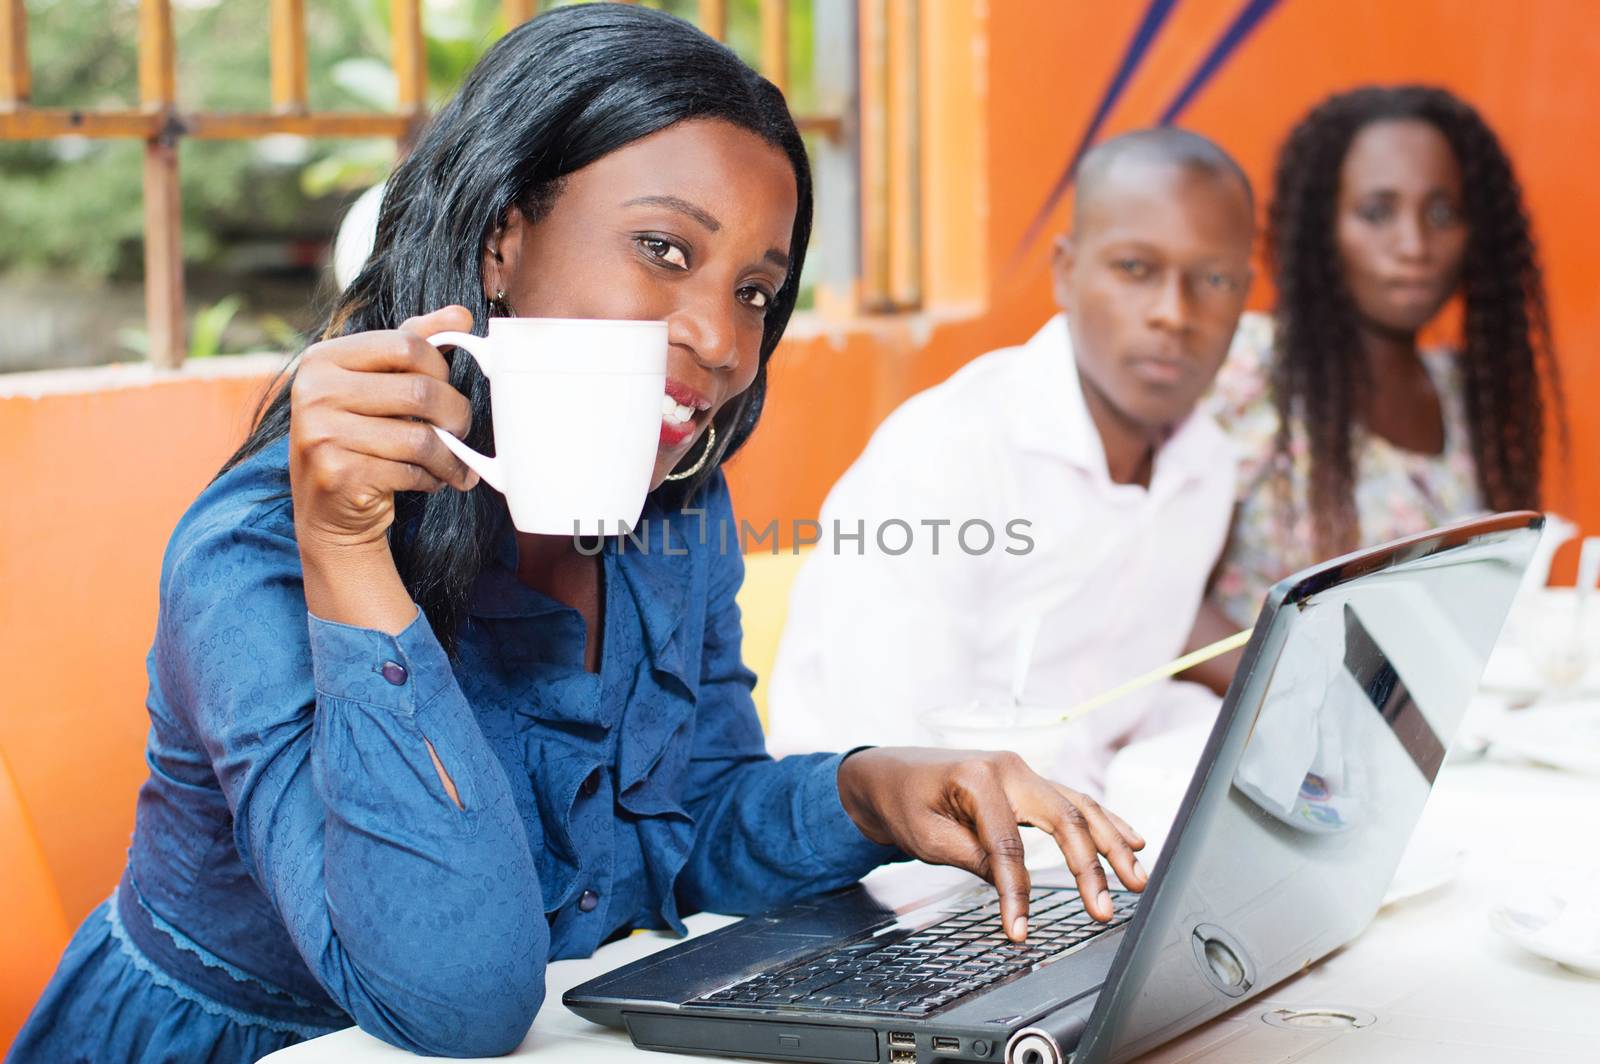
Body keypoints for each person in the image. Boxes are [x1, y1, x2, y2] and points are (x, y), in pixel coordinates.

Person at [10, 7, 1145, 1062]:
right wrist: (352, 558)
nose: (718, 335)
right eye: (664, 249)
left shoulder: (673, 503)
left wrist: (872, 791)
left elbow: (690, 817)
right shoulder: (258, 551)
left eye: (757, 288)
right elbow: (454, 999)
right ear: (502, 240)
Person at [768, 129, 1256, 796]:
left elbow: (1110, 708)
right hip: (892, 862)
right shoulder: (949, 455)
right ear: (1066, 271)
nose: (1174, 313)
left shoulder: (1206, 467)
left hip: (1083, 828)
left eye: (1214, 280)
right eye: (1135, 269)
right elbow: (899, 758)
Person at [1206, 85, 1563, 629]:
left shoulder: (1465, 392)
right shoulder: (1253, 370)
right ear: (1321, 230)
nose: (1414, 245)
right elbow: (1166, 606)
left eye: (1442, 214)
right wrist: (1294, 697)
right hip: (1268, 711)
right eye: (1377, 213)